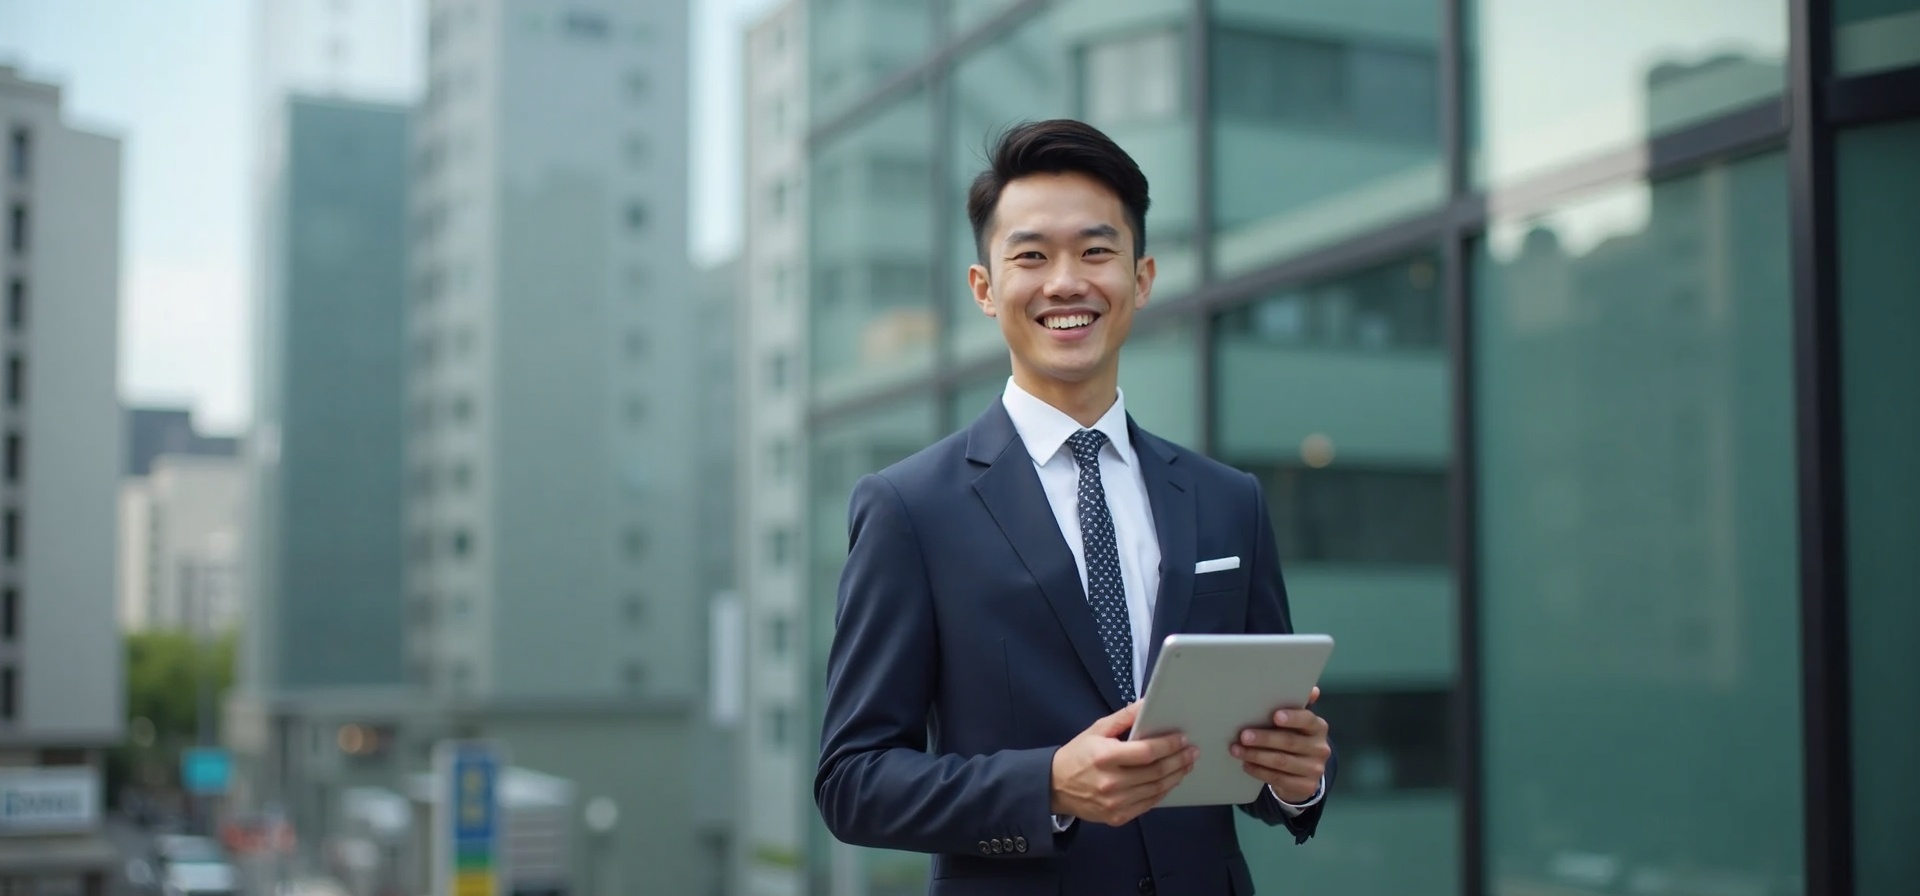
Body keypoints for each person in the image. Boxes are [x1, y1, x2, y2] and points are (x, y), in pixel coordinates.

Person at [815, 119, 1334, 896]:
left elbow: (1252, 757)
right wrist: (1047, 786)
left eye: (1097, 252)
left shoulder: (1230, 501)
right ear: (985, 289)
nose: (1066, 282)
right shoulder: (910, 509)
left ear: (1143, 277)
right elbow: (854, 780)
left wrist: (1294, 779)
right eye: (1031, 255)